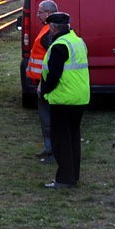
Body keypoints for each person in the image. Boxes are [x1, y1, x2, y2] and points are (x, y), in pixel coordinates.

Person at [40, 12, 90, 189]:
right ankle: (73, 175)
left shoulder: (60, 46)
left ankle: (64, 179)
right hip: (80, 98)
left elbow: (54, 75)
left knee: (61, 141)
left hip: (63, 99)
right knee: (73, 138)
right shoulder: (77, 40)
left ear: (53, 28)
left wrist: (44, 90)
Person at [27, 0, 58, 164]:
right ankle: (48, 149)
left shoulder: (49, 33)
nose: (38, 15)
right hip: (43, 82)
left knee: (48, 120)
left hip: (46, 84)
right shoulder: (48, 30)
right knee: (46, 118)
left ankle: (52, 152)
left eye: (40, 12)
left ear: (48, 13)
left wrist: (44, 84)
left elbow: (52, 61)